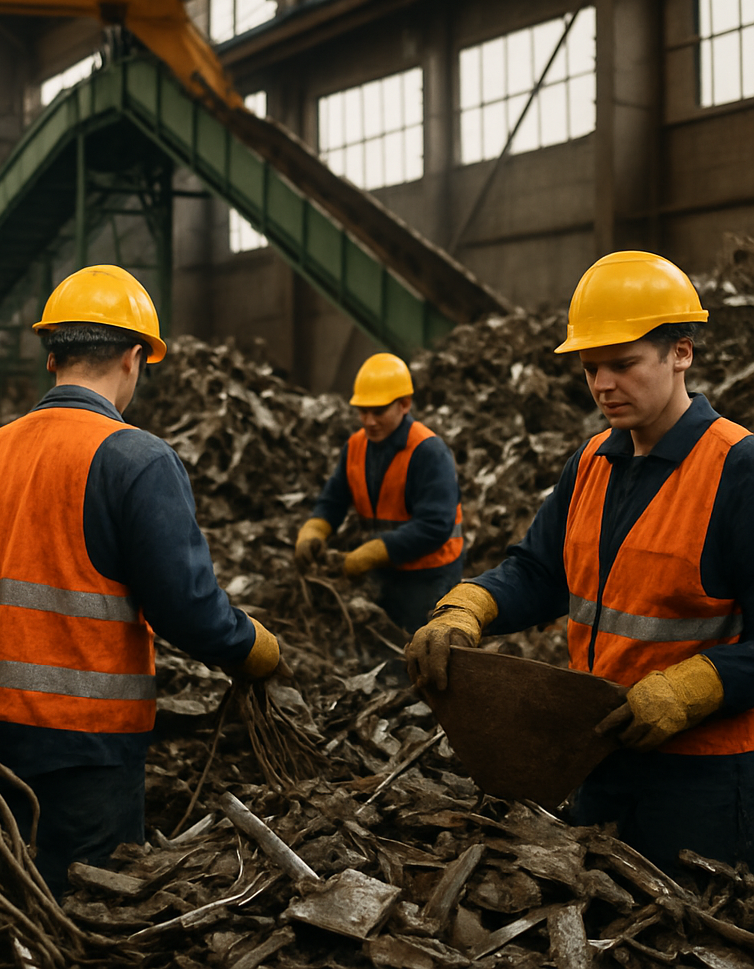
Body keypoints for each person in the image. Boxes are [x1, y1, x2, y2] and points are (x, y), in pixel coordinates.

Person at [0, 263, 282, 897]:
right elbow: (186, 608)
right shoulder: (138, 460)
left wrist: (18, 651)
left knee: (15, 897)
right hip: (90, 747)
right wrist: (248, 645)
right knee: (89, 909)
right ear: (133, 356)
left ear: (52, 359)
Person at [407, 250, 754, 873]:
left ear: (682, 351)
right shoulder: (592, 461)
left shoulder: (738, 470)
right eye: (591, 368)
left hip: (701, 774)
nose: (602, 386)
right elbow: (540, 572)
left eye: (622, 365)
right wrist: (467, 608)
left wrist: (690, 688)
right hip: (596, 753)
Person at [293, 352, 464, 636]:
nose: (369, 421)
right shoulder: (356, 446)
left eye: (378, 411)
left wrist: (369, 554)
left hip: (429, 575)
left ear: (404, 404)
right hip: (386, 569)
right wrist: (313, 530)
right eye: (363, 411)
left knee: (414, 647)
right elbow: (332, 501)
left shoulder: (429, 451)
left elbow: (434, 526)